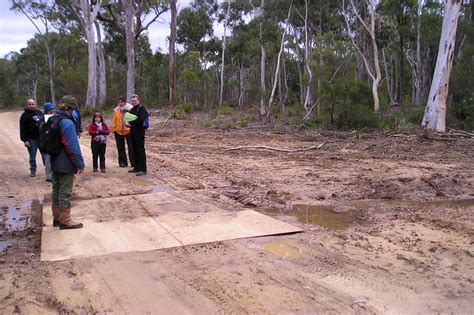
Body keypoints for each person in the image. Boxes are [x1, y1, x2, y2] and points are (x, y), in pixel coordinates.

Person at [50, 95, 85, 230]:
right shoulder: (67, 123)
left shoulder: (53, 119)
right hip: (65, 161)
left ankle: (57, 218)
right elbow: (72, 145)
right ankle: (65, 220)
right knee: (65, 191)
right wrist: (79, 164)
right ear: (71, 108)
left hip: (54, 159)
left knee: (57, 189)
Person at [19, 98, 45, 177]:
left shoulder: (40, 113)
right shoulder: (24, 116)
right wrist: (25, 140)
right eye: (29, 104)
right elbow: (22, 129)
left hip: (41, 138)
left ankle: (48, 170)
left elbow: (45, 124)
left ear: (35, 105)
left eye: (32, 104)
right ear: (27, 105)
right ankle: (33, 170)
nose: (31, 106)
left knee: (44, 155)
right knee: (32, 156)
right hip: (31, 139)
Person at [126, 94, 148, 176]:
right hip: (132, 132)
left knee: (140, 150)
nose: (133, 102)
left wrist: (131, 124)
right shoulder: (132, 109)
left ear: (138, 100)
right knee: (134, 150)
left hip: (140, 132)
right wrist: (127, 123)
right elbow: (127, 119)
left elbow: (141, 119)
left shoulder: (141, 108)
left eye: (135, 101)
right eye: (132, 101)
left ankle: (143, 169)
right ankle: (136, 167)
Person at [112, 96, 134, 168]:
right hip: (118, 131)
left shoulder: (130, 109)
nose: (120, 103)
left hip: (128, 131)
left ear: (125, 102)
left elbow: (132, 120)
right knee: (120, 148)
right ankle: (122, 162)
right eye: (119, 102)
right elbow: (114, 120)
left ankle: (133, 162)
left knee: (131, 147)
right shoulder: (116, 110)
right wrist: (114, 128)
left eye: (122, 102)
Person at [43, 102, 55, 182]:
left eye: (52, 109)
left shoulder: (55, 117)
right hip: (47, 141)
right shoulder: (43, 118)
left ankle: (54, 175)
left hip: (54, 140)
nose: (51, 111)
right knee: (48, 159)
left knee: (54, 159)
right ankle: (48, 176)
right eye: (50, 109)